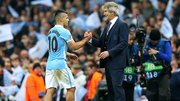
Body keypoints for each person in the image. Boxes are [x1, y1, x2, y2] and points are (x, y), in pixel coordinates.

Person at [44, 9, 92, 101]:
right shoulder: (65, 31)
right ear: (61, 19)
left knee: (50, 90)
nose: (68, 20)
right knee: (71, 89)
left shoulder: (50, 31)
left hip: (50, 65)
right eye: (67, 18)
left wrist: (68, 54)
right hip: (60, 64)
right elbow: (74, 46)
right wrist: (86, 39)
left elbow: (54, 49)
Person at [86, 2, 129, 101]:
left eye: (105, 11)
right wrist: (90, 38)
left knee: (117, 88)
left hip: (117, 62)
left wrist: (109, 52)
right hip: (108, 63)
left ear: (112, 11)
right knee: (111, 90)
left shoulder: (122, 25)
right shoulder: (108, 26)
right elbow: (101, 43)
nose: (104, 13)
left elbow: (123, 44)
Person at [143, 29, 172, 101]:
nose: (154, 43)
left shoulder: (165, 43)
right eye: (152, 41)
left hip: (163, 74)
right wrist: (147, 53)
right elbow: (143, 57)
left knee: (163, 96)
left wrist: (157, 53)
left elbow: (169, 58)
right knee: (151, 97)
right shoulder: (147, 42)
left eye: (155, 41)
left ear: (159, 39)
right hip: (151, 74)